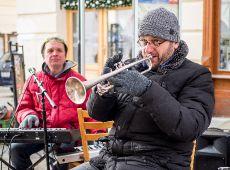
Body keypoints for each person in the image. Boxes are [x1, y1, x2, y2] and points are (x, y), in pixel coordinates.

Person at [73, 7, 215, 170]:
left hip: (157, 161)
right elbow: (97, 114)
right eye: (145, 42)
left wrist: (146, 90)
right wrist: (103, 90)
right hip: (109, 158)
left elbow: (190, 127)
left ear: (175, 42)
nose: (148, 49)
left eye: (156, 42)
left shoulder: (197, 75)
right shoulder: (132, 68)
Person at [10, 37, 91, 170]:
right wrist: (27, 115)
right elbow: (23, 107)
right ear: (44, 56)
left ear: (65, 55)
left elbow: (91, 111)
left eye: (59, 50)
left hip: (70, 135)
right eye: (50, 50)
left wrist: (96, 136)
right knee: (16, 149)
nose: (55, 53)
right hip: (41, 132)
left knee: (61, 160)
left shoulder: (79, 81)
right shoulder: (33, 79)